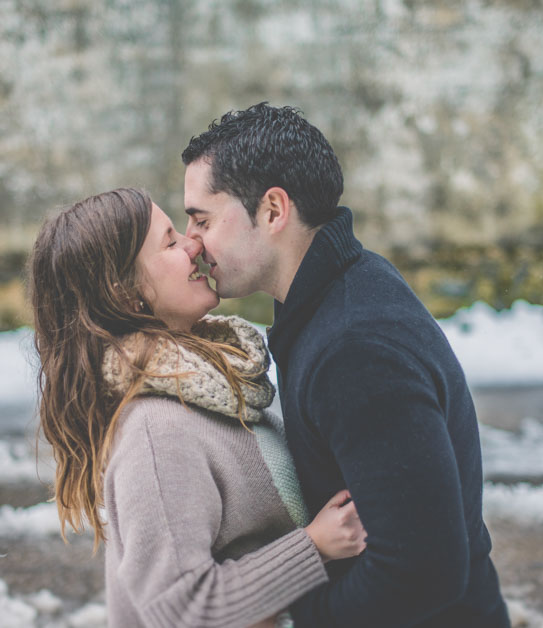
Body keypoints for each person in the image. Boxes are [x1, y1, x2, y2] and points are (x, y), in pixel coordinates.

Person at [181, 103, 511, 627]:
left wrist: (302, 618)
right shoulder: (336, 292)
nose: (192, 242)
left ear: (272, 210)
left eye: (202, 219)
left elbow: (425, 570)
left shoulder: (353, 349)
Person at [27, 187, 367, 628]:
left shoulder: (211, 388)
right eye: (170, 242)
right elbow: (181, 608)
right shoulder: (157, 431)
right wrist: (314, 546)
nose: (194, 244)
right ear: (126, 294)